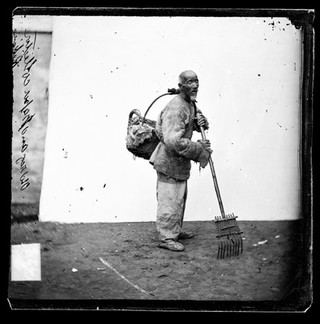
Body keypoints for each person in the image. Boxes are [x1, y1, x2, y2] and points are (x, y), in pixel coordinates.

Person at [149, 70, 212, 252]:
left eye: (196, 81)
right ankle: (167, 238)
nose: (195, 85)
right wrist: (199, 149)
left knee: (178, 198)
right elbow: (173, 141)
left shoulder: (189, 103)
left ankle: (174, 230)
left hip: (179, 163)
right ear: (180, 86)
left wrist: (202, 122)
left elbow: (194, 123)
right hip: (169, 162)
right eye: (190, 82)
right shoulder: (176, 108)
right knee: (170, 200)